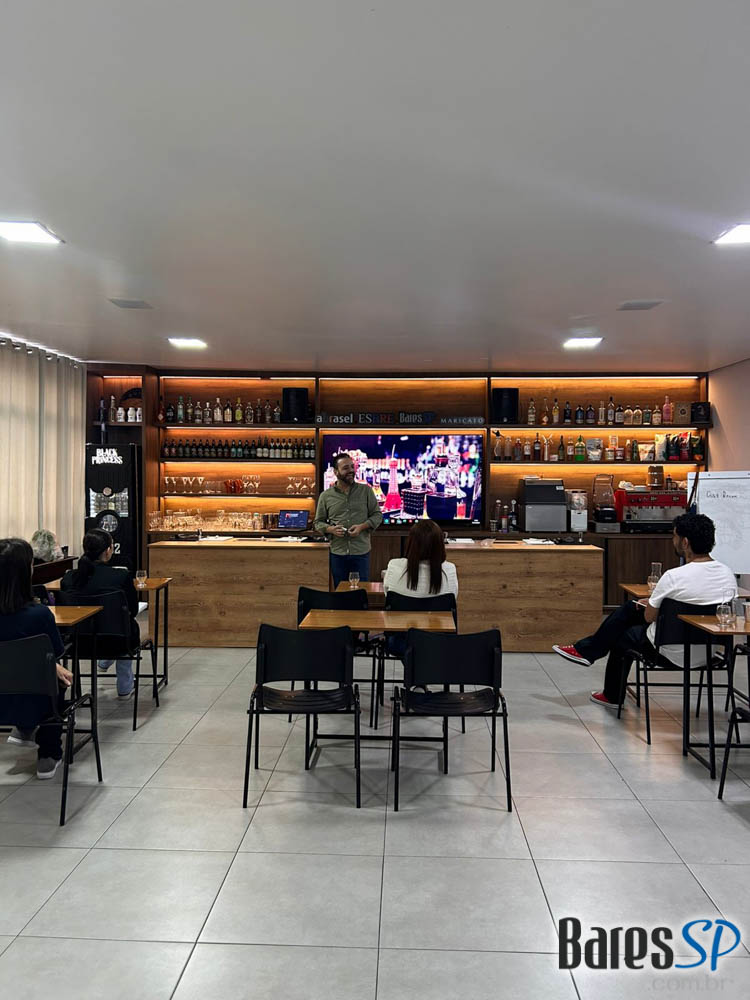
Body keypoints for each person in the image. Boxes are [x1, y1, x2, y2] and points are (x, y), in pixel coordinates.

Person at [552, 513, 738, 709]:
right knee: (631, 608)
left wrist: (653, 605)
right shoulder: (727, 575)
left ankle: (610, 691)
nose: (673, 540)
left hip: (668, 651)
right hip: (710, 653)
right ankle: (587, 651)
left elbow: (649, 617)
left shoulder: (674, 576)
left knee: (624, 634)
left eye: (674, 536)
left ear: (685, 542)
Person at [0, 537, 73, 779]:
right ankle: (48, 754)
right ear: (25, 572)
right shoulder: (39, 615)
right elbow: (55, 651)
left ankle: (24, 727)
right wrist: (55, 667)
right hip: (34, 693)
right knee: (57, 681)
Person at [60, 528, 140, 698]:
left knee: (114, 626)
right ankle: (124, 686)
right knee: (125, 625)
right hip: (118, 641)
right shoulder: (121, 575)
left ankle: (104, 664)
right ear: (109, 550)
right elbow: (132, 610)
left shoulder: (69, 579)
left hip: (77, 643)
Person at [314, 452, 383, 589]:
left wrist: (362, 527)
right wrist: (331, 529)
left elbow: (377, 515)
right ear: (336, 472)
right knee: (341, 593)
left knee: (361, 592)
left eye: (352, 467)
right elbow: (318, 522)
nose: (351, 470)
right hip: (338, 553)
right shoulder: (326, 496)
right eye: (346, 468)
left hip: (361, 552)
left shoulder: (366, 491)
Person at [383, 519, 458, 598]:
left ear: (411, 543)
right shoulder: (450, 569)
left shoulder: (394, 565)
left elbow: (388, 596)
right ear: (440, 544)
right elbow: (453, 599)